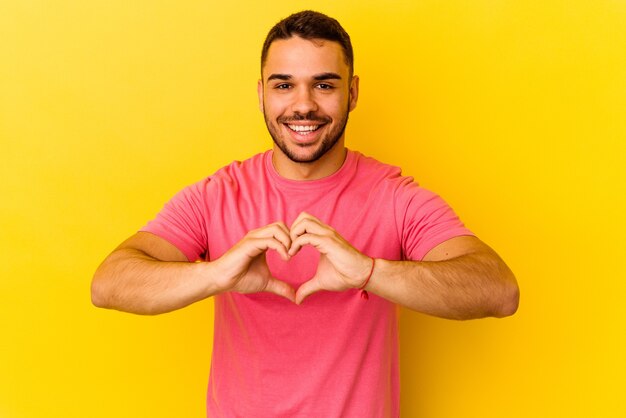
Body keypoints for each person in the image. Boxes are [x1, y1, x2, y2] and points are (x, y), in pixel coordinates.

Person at [91, 10, 519, 417]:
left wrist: (369, 271)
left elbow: (498, 291)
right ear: (261, 92)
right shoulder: (218, 194)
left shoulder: (394, 197)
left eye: (324, 85)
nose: (304, 105)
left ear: (352, 92)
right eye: (283, 85)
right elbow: (109, 283)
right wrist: (216, 273)